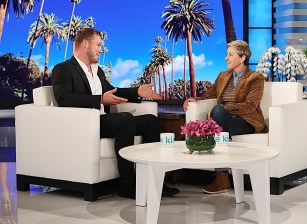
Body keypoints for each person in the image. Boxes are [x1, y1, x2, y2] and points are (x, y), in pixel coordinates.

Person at [52, 28, 179, 199]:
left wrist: (137, 92)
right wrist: (99, 101)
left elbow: (112, 92)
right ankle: (127, 185)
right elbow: (64, 98)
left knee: (151, 121)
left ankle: (152, 180)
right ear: (85, 44)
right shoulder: (63, 69)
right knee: (124, 119)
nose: (100, 49)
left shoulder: (97, 71)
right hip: (84, 123)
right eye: (98, 45)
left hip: (103, 121)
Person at [183, 40, 268, 194]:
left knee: (218, 112)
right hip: (223, 120)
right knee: (218, 116)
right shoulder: (223, 75)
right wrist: (194, 100)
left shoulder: (255, 78)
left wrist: (226, 108)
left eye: (230, 54)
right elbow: (209, 95)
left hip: (246, 121)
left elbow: (251, 106)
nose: (226, 58)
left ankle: (222, 178)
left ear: (242, 58)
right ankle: (223, 176)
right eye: (227, 54)